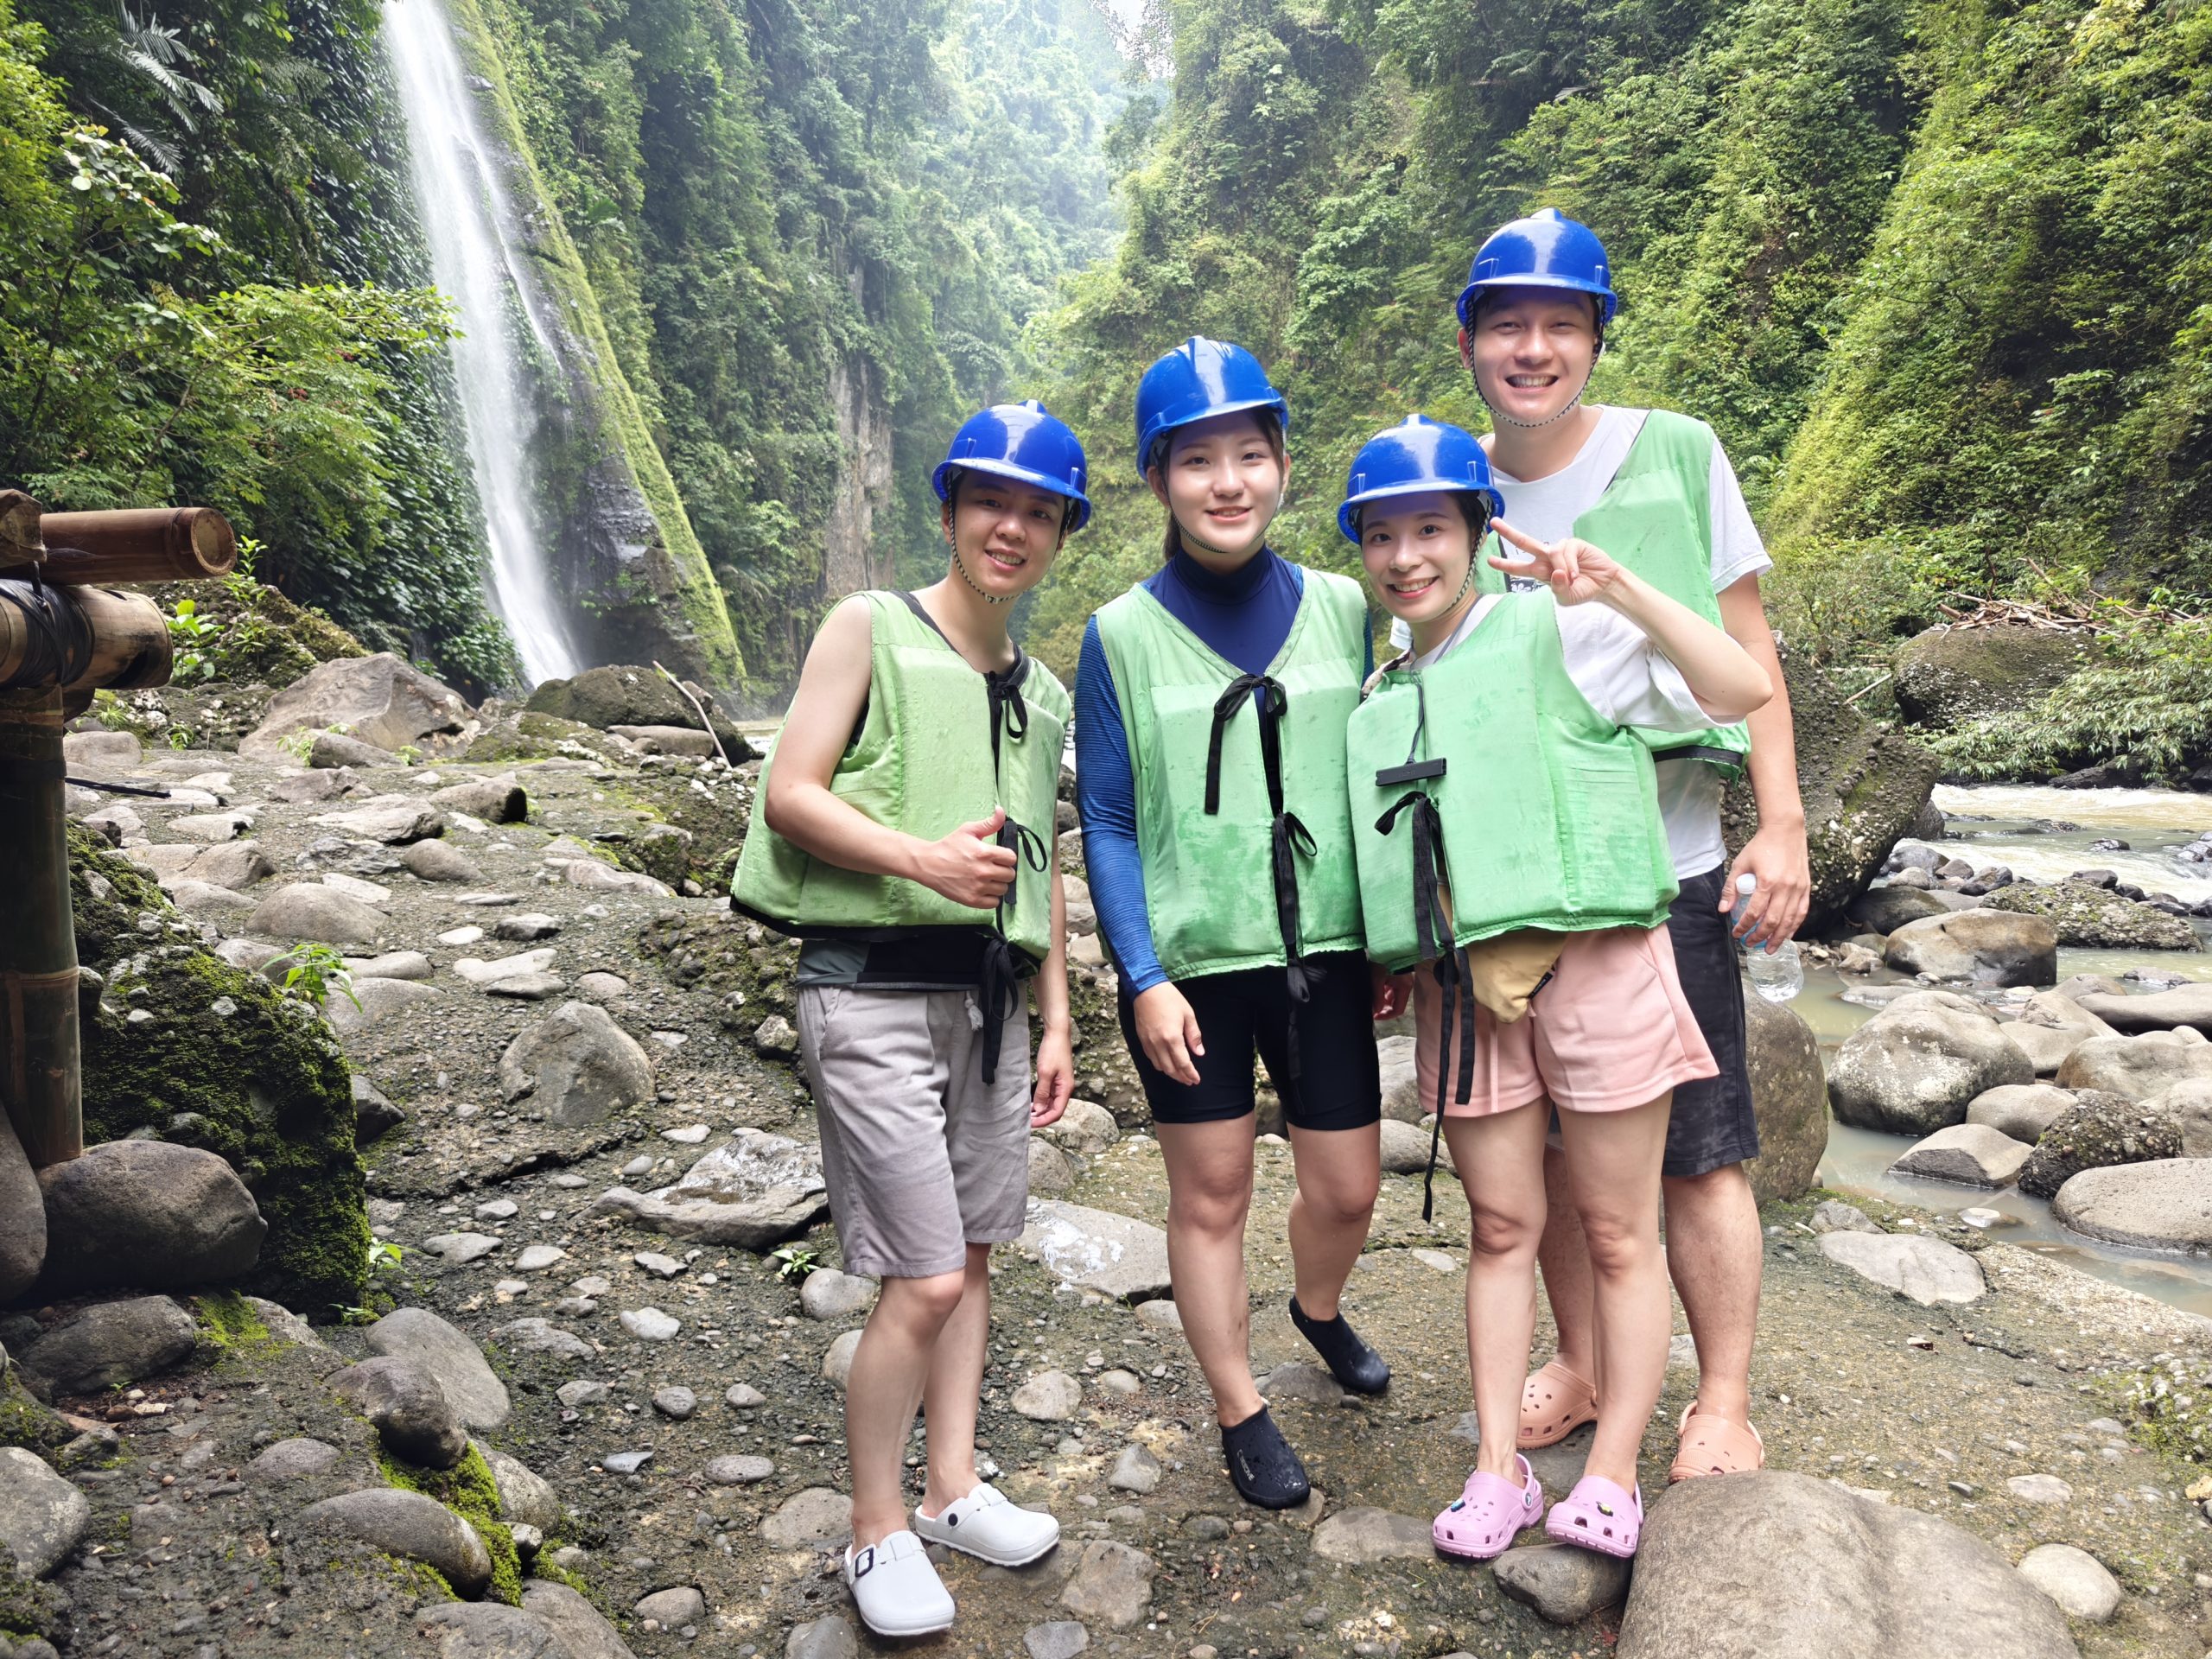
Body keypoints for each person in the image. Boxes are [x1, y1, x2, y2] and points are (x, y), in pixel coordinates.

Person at [1343, 413, 1772, 1560]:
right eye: (1380, 535)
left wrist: (1625, 589)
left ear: (1479, 533)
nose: (1406, 556)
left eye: (1430, 527)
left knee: (1621, 1232)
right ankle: (1500, 1471)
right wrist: (1394, 956)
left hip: (1602, 965)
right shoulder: (1385, 689)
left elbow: (1739, 688)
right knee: (1500, 1227)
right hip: (1466, 996)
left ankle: (1614, 1476)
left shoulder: (1568, 629)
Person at [1440, 208, 1812, 1484]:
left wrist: (1785, 824)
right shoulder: (1448, 488)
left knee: (1703, 1149)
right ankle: (1591, 1362)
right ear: (1472, 340)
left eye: (1561, 324)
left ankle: (1723, 1397)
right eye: (1507, 324)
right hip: (1516, 887)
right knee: (1547, 1153)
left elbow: (1747, 644)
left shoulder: (1675, 452)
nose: (1533, 348)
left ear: (1596, 338)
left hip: (1671, 860)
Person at [731, 400, 1084, 1639]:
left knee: (975, 1254)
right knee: (925, 1274)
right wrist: (921, 864)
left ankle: (950, 1489)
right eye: (993, 501)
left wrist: (1056, 1016)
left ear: (1058, 537)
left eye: (1040, 512)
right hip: (869, 989)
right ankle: (874, 1526)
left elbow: (1036, 867)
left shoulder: (1038, 691)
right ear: (950, 510)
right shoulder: (867, 627)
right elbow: (790, 793)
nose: (1013, 527)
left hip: (990, 1006)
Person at [1076, 337, 1391, 1510]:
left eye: (1249, 455)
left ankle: (1314, 1309)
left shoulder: (1350, 608)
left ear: (1282, 466)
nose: (1227, 482)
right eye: (1197, 458)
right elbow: (1106, 817)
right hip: (1193, 967)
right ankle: (1238, 1407)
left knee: (1348, 1189)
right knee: (1210, 1196)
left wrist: (1396, 934)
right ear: (1161, 479)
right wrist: (1142, 973)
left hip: (1329, 956)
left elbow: (1379, 772)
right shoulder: (1117, 633)